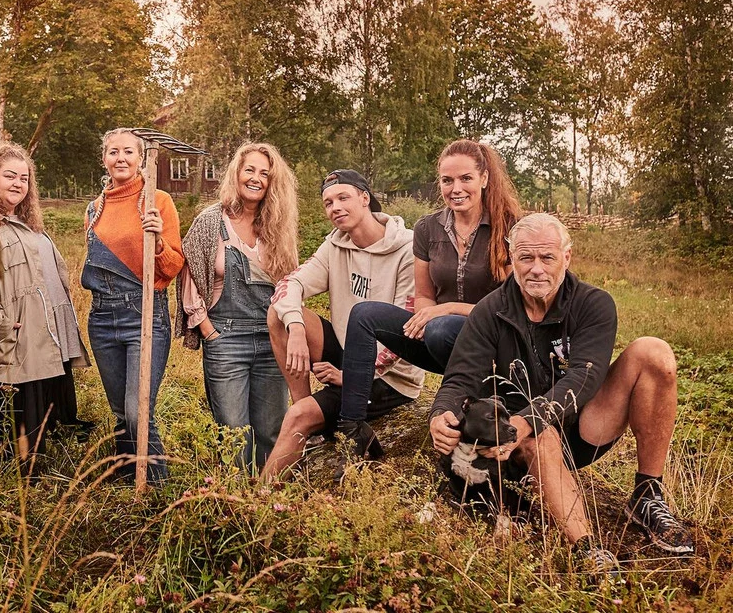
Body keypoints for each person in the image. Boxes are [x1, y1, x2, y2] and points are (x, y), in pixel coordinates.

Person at [430, 213, 694, 575]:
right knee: (540, 437)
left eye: (547, 257)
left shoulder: (593, 303)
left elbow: (586, 377)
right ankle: (588, 550)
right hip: (521, 441)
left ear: (566, 258)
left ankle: (648, 493)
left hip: (585, 426)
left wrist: (528, 419)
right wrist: (441, 413)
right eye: (526, 257)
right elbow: (460, 376)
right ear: (511, 258)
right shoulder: (491, 310)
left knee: (654, 353)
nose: (536, 268)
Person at [336, 140, 521, 459]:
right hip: (439, 343)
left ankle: (478, 410)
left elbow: (513, 307)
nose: (455, 188)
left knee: (441, 327)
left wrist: (446, 310)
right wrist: (425, 315)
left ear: (484, 178)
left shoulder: (509, 226)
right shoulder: (427, 228)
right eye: (447, 180)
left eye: (465, 178)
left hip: (493, 346)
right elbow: (423, 295)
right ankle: (352, 428)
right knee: (365, 314)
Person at [261, 170, 421, 481]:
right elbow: (289, 284)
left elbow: (406, 332)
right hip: (350, 351)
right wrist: (296, 328)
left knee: (297, 418)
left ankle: (258, 499)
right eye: (328, 202)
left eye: (343, 197)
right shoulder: (335, 244)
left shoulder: (408, 249)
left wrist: (352, 376)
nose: (335, 207)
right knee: (278, 315)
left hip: (391, 377)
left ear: (365, 198)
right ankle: (309, 410)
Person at [0, 143, 91, 458]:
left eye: (24, 178)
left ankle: (37, 463)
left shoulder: (28, 225)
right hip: (8, 341)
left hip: (40, 339)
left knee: (36, 430)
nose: (17, 183)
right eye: (9, 176)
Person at [178, 142, 299, 471]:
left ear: (273, 183)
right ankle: (235, 497)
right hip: (226, 340)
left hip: (272, 340)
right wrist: (208, 331)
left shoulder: (278, 227)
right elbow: (190, 278)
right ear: (236, 174)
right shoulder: (210, 222)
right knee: (233, 432)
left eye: (265, 174)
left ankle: (269, 495)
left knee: (272, 430)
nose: (256, 178)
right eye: (250, 170)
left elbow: (290, 284)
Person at [82, 129, 184, 483]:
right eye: (113, 152)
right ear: (104, 159)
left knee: (138, 411)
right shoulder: (94, 209)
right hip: (102, 317)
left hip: (144, 313)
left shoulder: (157, 201)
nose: (121, 158)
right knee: (120, 412)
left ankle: (155, 487)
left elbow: (174, 266)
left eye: (128, 151)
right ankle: (126, 476)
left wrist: (157, 243)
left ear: (141, 158)